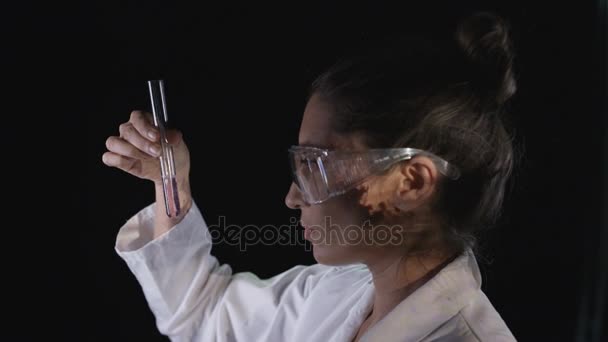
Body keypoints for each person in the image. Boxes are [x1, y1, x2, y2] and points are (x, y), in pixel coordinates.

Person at [103, 11, 518, 342]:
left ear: (411, 183)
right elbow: (204, 315)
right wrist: (169, 181)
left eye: (315, 166)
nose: (292, 197)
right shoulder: (335, 294)